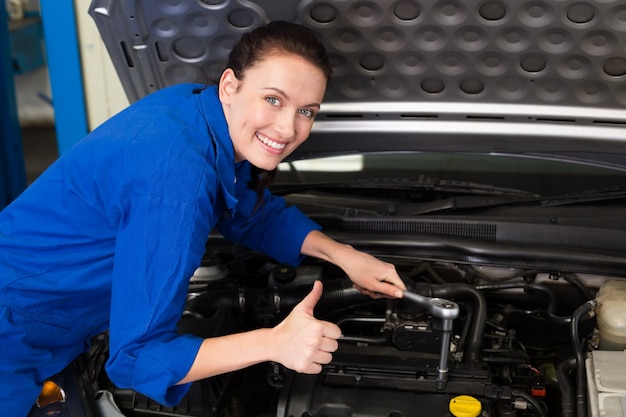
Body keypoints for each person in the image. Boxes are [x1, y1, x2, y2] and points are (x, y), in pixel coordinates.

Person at [0, 21, 405, 415]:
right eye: (273, 100)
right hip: (14, 332)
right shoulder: (178, 184)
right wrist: (274, 343)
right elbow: (137, 359)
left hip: (49, 316)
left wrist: (343, 255)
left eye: (307, 111)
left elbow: (245, 208)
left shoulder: (193, 107)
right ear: (230, 85)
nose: (287, 129)